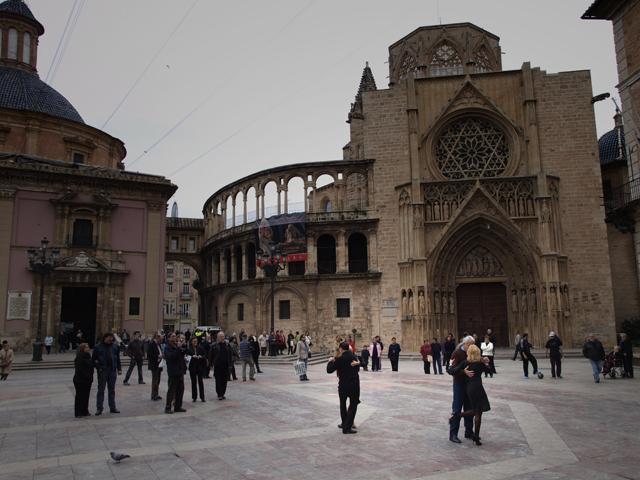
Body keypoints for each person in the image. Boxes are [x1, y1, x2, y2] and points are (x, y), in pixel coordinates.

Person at [451, 344, 491, 446]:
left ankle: (473, 435)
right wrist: (486, 363)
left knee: (476, 411)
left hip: (471, 389)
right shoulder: (479, 362)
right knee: (477, 412)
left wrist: (463, 370)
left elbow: (454, 369)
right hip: (478, 388)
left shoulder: (466, 362)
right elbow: (489, 371)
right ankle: (458, 419)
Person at [327, 341, 361, 434]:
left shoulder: (339, 359)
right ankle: (347, 426)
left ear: (341, 349)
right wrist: (358, 363)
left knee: (343, 404)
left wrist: (330, 361)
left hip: (343, 385)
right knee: (353, 405)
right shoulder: (354, 357)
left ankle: (344, 425)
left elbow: (329, 370)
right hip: (354, 385)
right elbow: (361, 365)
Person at [447, 335, 476, 443]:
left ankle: (469, 432)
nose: (473, 347)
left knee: (469, 409)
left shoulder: (472, 353)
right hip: (459, 385)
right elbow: (450, 370)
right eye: (471, 345)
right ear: (466, 344)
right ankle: (453, 434)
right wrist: (463, 372)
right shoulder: (456, 353)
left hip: (470, 385)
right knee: (457, 409)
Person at [91, 333, 122, 415]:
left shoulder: (115, 346)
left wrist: (119, 369)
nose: (111, 339)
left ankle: (113, 407)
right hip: (103, 371)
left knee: (112, 390)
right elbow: (93, 360)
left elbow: (117, 358)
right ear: (105, 337)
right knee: (101, 390)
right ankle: (99, 408)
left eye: (112, 338)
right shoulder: (98, 347)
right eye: (109, 338)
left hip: (112, 370)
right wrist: (99, 368)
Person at [164, 333, 186, 413]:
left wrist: (182, 347)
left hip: (180, 371)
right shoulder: (167, 348)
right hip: (173, 372)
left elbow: (182, 355)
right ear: (169, 338)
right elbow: (171, 357)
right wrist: (178, 348)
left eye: (175, 336)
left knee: (180, 390)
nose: (175, 338)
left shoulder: (176, 346)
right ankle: (168, 407)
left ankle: (178, 406)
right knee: (171, 390)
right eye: (173, 336)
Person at [73, 343, 94, 417]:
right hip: (80, 380)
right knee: (79, 396)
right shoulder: (79, 357)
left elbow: (91, 367)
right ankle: (78, 412)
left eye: (88, 347)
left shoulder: (88, 356)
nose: (88, 348)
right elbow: (79, 369)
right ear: (82, 348)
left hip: (88, 380)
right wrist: (86, 376)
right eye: (86, 347)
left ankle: (85, 411)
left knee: (86, 396)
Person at [211, 331, 232, 400]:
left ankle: (222, 393)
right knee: (218, 380)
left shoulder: (227, 345)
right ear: (217, 338)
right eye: (220, 337)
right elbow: (210, 355)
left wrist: (230, 363)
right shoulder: (214, 345)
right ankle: (219, 394)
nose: (222, 338)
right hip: (218, 366)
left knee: (224, 380)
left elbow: (230, 354)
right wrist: (211, 364)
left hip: (225, 366)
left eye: (223, 336)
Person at [186, 337, 207, 402]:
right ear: (191, 342)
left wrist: (201, 357)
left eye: (196, 341)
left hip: (199, 366)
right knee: (193, 382)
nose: (195, 342)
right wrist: (192, 357)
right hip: (192, 367)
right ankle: (194, 397)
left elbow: (205, 355)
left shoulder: (200, 348)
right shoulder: (189, 349)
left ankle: (202, 397)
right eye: (194, 341)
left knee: (200, 381)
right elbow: (186, 357)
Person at [147, 333, 164, 401]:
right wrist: (158, 356)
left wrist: (161, 355)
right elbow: (149, 355)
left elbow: (159, 352)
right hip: (154, 365)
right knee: (155, 381)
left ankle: (156, 394)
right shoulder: (151, 344)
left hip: (159, 364)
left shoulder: (158, 344)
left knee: (158, 381)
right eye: (160, 339)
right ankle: (153, 395)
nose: (161, 341)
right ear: (157, 338)